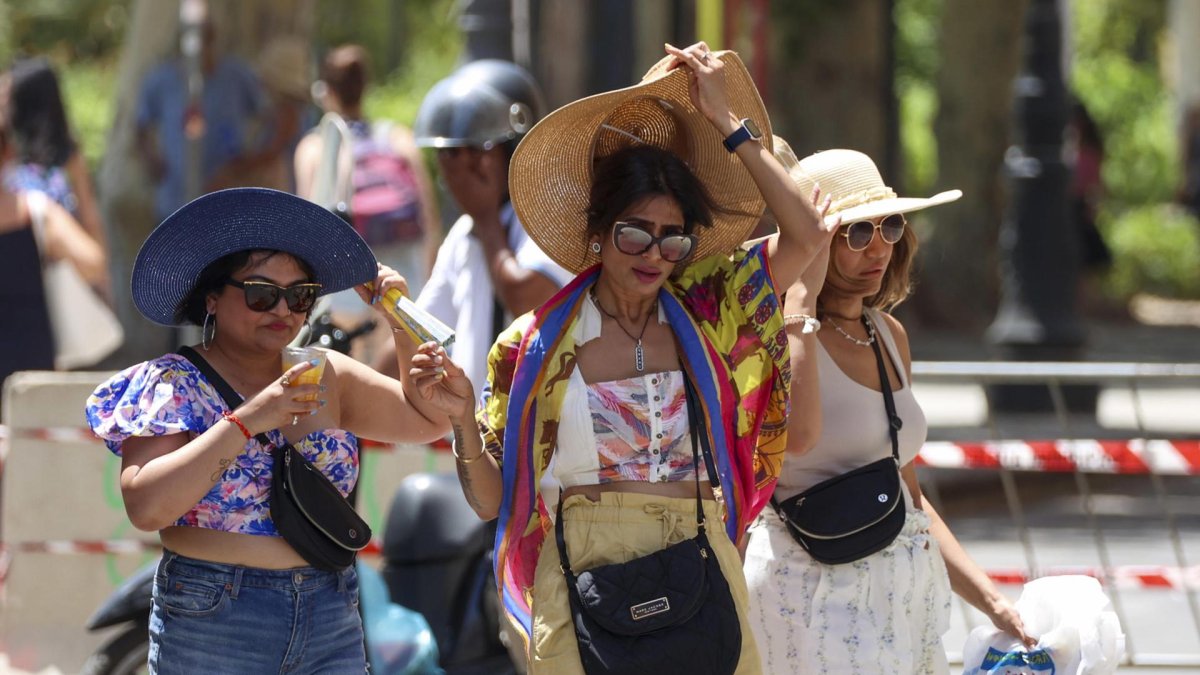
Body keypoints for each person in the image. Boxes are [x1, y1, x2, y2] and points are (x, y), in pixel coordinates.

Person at [407, 43, 838, 673]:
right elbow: (494, 502)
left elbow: (807, 232)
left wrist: (727, 122)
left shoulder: (708, 309)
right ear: (596, 233)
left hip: (698, 554)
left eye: (673, 238)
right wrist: (462, 420)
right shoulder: (531, 347)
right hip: (580, 574)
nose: (653, 254)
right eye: (634, 231)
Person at [84, 187, 454, 672]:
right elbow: (147, 505)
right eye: (262, 295)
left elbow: (428, 419)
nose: (283, 311)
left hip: (328, 609)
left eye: (300, 297)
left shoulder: (326, 374)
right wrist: (249, 419)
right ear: (212, 297)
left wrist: (397, 318)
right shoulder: (172, 383)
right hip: (214, 614)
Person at [742, 142, 1033, 674]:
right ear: (815, 242)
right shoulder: (777, 336)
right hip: (807, 595)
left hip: (900, 595)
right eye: (855, 232)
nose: (878, 248)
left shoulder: (887, 334)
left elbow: (908, 493)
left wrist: (991, 600)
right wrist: (800, 302)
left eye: (890, 226)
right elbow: (800, 440)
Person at [386, 59, 573, 397]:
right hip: (479, 437)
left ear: (513, 149)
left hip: (537, 434)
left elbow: (527, 297)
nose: (457, 167)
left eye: (476, 149)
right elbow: (423, 330)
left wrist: (487, 220)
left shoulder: (544, 217)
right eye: (450, 153)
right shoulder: (463, 233)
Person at [294, 44, 439, 297]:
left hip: (343, 285)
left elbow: (307, 228)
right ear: (365, 88)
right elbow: (430, 221)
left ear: (326, 92)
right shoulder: (398, 139)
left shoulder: (314, 148)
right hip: (401, 277)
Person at [0, 114, 107, 400]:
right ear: (9, 150)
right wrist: (80, 181)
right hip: (29, 394)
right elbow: (94, 265)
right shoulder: (36, 213)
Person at [135, 19, 268, 222]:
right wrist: (151, 160)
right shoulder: (161, 79)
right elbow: (140, 125)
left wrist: (248, 160)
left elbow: (269, 117)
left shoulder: (236, 75)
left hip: (227, 197)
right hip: (174, 200)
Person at [2, 57, 107, 260]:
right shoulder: (7, 157)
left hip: (64, 272)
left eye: (7, 95)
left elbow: (91, 221)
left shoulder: (68, 158)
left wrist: (102, 280)